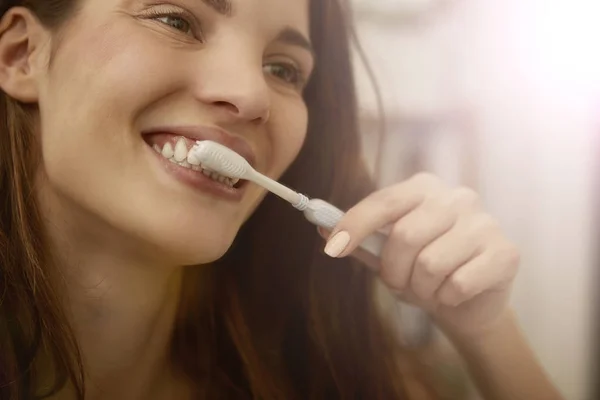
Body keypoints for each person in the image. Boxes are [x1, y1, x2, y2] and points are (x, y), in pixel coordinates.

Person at [0, 0, 563, 399]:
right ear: (21, 54)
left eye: (283, 70)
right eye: (176, 20)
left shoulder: (335, 379)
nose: (250, 95)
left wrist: (485, 333)